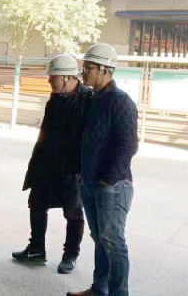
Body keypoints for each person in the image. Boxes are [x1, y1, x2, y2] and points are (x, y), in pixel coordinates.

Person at [68, 43, 138, 296]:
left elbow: (128, 145)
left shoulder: (121, 102)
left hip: (112, 186)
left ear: (105, 70)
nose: (84, 72)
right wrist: (82, 172)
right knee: (100, 239)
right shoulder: (92, 99)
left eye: (89, 68)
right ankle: (99, 289)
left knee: (113, 243)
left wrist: (108, 178)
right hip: (89, 181)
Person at [12, 54, 90, 274]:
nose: (49, 81)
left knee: (73, 212)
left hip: (72, 168)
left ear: (66, 77)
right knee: (36, 204)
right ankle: (36, 249)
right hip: (46, 164)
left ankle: (70, 254)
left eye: (52, 77)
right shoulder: (55, 99)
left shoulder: (87, 101)